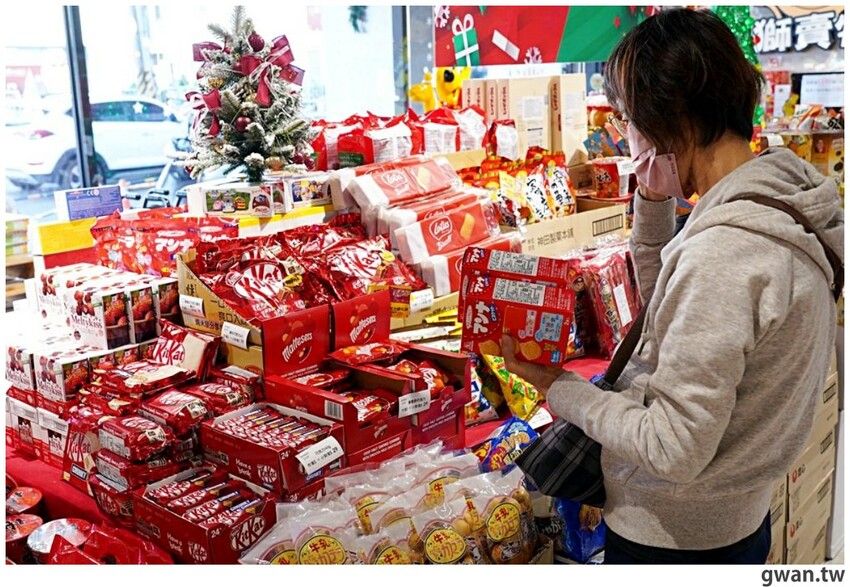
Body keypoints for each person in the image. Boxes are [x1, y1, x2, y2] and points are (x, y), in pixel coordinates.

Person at [502, 9, 843, 564]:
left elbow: (670, 447)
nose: (627, 136)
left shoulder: (725, 252)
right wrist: (655, 200)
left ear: (672, 120)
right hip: (737, 518)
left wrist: (557, 387)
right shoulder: (784, 202)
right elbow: (673, 310)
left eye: (631, 120)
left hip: (675, 536)